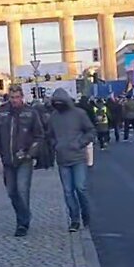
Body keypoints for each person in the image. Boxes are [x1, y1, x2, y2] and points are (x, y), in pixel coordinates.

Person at [0, 84, 45, 236]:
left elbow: (39, 135)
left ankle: (22, 223)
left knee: (22, 190)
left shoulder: (30, 113)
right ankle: (24, 215)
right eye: (12, 97)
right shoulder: (2, 113)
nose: (14, 100)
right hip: (7, 159)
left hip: (25, 159)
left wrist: (31, 153)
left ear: (22, 97)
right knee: (11, 192)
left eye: (17, 97)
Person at [48, 88, 96, 231]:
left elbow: (91, 131)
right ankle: (74, 219)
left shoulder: (79, 114)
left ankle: (85, 214)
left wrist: (80, 143)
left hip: (78, 157)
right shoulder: (53, 117)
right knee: (68, 191)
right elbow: (49, 135)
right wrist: (55, 144)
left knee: (80, 188)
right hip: (62, 158)